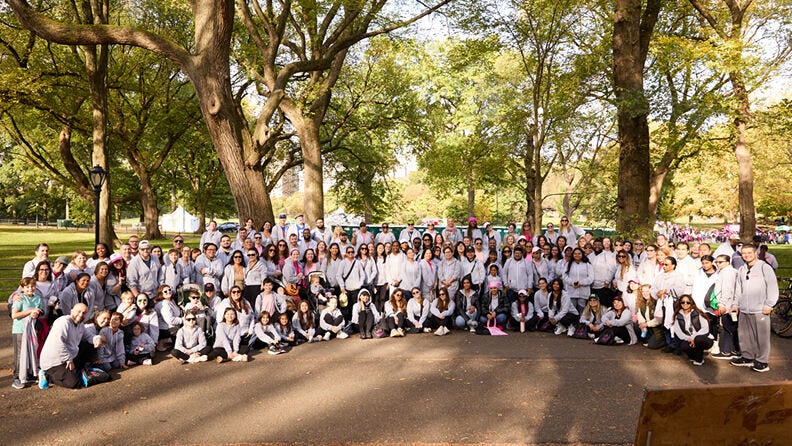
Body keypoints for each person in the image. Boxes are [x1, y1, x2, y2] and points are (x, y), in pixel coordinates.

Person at [730, 244, 778, 372]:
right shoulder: (742, 269)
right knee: (744, 335)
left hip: (760, 309)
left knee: (762, 337)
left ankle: (762, 361)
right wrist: (735, 304)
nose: (746, 255)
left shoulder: (764, 267)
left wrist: (769, 304)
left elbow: (772, 287)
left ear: (755, 253)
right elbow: (738, 289)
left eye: (749, 253)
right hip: (744, 309)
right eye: (744, 253)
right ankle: (747, 357)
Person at [39, 303, 95, 389]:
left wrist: (96, 339)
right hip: (54, 361)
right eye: (78, 311)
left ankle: (79, 369)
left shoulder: (80, 324)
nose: (81, 315)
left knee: (89, 345)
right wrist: (68, 359)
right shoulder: (63, 322)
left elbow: (88, 336)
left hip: (69, 356)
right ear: (71, 311)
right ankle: (46, 374)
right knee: (74, 383)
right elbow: (58, 343)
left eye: (84, 313)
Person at [10, 277, 44, 389]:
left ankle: (28, 375)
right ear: (23, 288)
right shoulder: (20, 298)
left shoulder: (37, 298)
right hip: (20, 330)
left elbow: (40, 311)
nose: (30, 289)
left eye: (32, 286)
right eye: (27, 287)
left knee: (31, 352)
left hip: (32, 330)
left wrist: (36, 313)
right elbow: (14, 315)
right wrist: (30, 311)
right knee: (20, 354)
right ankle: (17, 377)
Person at [712, 254, 740, 360]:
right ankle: (734, 350)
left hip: (728, 305)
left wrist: (722, 304)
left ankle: (728, 351)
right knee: (731, 328)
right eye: (716, 262)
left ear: (728, 262)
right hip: (730, 304)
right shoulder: (727, 271)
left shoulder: (727, 272)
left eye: (720, 262)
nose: (718, 264)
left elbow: (727, 290)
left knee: (728, 328)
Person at [673, 295, 714, 366]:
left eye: (688, 302)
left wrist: (693, 338)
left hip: (704, 338)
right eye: (683, 302)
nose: (685, 304)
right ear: (680, 303)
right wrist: (689, 339)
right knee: (683, 346)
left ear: (691, 303)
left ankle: (699, 360)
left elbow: (705, 328)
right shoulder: (678, 316)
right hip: (689, 339)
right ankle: (694, 356)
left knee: (698, 339)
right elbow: (678, 332)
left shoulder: (697, 313)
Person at [563, 248, 593, 313]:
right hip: (571, 291)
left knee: (582, 311)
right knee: (572, 311)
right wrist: (572, 283)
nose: (577, 255)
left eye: (579, 254)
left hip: (583, 292)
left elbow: (591, 278)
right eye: (575, 254)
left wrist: (581, 283)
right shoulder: (569, 264)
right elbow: (564, 276)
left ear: (582, 254)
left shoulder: (587, 264)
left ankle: (582, 319)